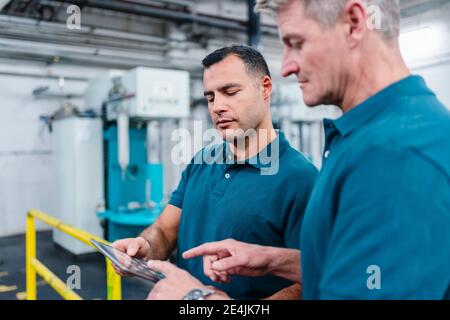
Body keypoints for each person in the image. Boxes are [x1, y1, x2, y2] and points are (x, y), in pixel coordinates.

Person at [146, 0, 450, 300]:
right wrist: (274, 259)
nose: (287, 66)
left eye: (297, 42)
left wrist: (197, 300)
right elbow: (363, 272)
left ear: (354, 23)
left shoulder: (400, 153)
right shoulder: (360, 138)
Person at [112, 45, 318, 300]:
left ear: (265, 88)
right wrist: (144, 247)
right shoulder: (202, 161)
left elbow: (309, 283)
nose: (217, 106)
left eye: (230, 92)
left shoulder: (302, 179)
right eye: (210, 98)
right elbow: (165, 231)